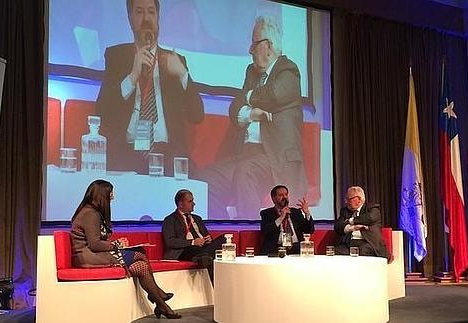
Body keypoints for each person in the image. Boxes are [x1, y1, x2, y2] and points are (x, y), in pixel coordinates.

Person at [198, 15, 306, 219]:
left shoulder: (289, 70)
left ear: (268, 46)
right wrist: (251, 113)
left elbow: (274, 94)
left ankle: (249, 232)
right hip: (244, 155)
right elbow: (234, 109)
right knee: (206, 179)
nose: (250, 50)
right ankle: (225, 230)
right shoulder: (252, 72)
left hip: (274, 157)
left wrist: (248, 96)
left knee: (245, 172)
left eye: (254, 44)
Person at [97, 0, 204, 175]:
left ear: (158, 18)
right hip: (127, 151)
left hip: (167, 152)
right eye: (139, 12)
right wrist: (132, 77)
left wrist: (183, 74)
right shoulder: (116, 57)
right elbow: (102, 111)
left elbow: (197, 115)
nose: (146, 18)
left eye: (151, 12)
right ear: (130, 19)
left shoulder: (175, 61)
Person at [70, 180, 181, 319]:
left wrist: (114, 243)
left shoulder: (92, 212)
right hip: (88, 257)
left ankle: (160, 304)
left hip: (94, 254)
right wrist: (117, 245)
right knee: (139, 254)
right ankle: (158, 296)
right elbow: (95, 244)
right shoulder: (90, 213)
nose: (112, 197)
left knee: (141, 265)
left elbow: (98, 241)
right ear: (102, 195)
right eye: (110, 193)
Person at [161, 189, 225, 284]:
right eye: (190, 201)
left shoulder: (197, 218)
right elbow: (170, 241)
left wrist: (209, 239)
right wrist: (192, 242)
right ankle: (203, 257)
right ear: (181, 204)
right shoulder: (170, 219)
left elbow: (206, 235)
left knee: (224, 238)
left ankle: (202, 257)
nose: (194, 204)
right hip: (185, 250)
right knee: (197, 250)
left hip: (202, 248)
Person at [334, 186, 389, 259]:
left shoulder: (372, 208)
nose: (346, 202)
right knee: (335, 251)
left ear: (359, 199)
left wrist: (351, 221)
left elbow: (370, 218)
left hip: (368, 243)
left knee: (362, 251)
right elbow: (338, 226)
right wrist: (351, 228)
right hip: (349, 244)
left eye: (349, 199)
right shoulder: (345, 211)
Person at [260, 185, 314, 255]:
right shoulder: (266, 213)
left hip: (297, 249)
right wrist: (281, 217)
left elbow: (309, 230)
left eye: (286, 194)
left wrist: (307, 213)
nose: (284, 197)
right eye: (280, 195)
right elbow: (265, 231)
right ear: (273, 198)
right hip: (276, 249)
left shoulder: (295, 212)